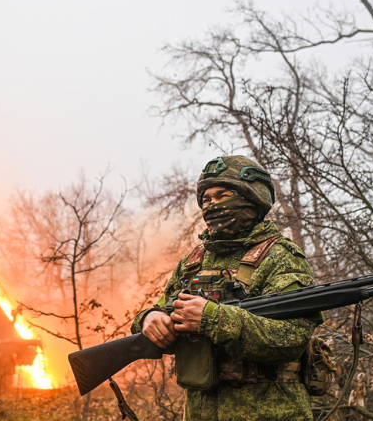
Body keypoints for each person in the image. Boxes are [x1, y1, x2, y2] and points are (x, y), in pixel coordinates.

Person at [131, 155, 321, 420]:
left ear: (252, 200)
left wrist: (212, 319)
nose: (211, 205)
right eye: (206, 199)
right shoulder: (192, 263)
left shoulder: (281, 257)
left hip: (272, 413)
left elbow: (293, 337)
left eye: (222, 195)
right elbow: (159, 310)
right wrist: (148, 319)